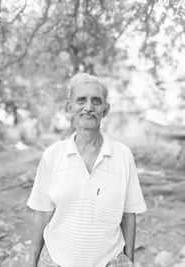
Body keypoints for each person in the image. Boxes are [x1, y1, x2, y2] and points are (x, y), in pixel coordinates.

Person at [27, 73, 147, 267]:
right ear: (69, 107)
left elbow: (128, 215)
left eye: (96, 101)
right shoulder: (53, 155)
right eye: (81, 100)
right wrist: (32, 261)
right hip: (56, 260)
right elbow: (41, 213)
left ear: (105, 109)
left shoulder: (123, 155)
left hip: (110, 260)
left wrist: (129, 261)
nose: (88, 108)